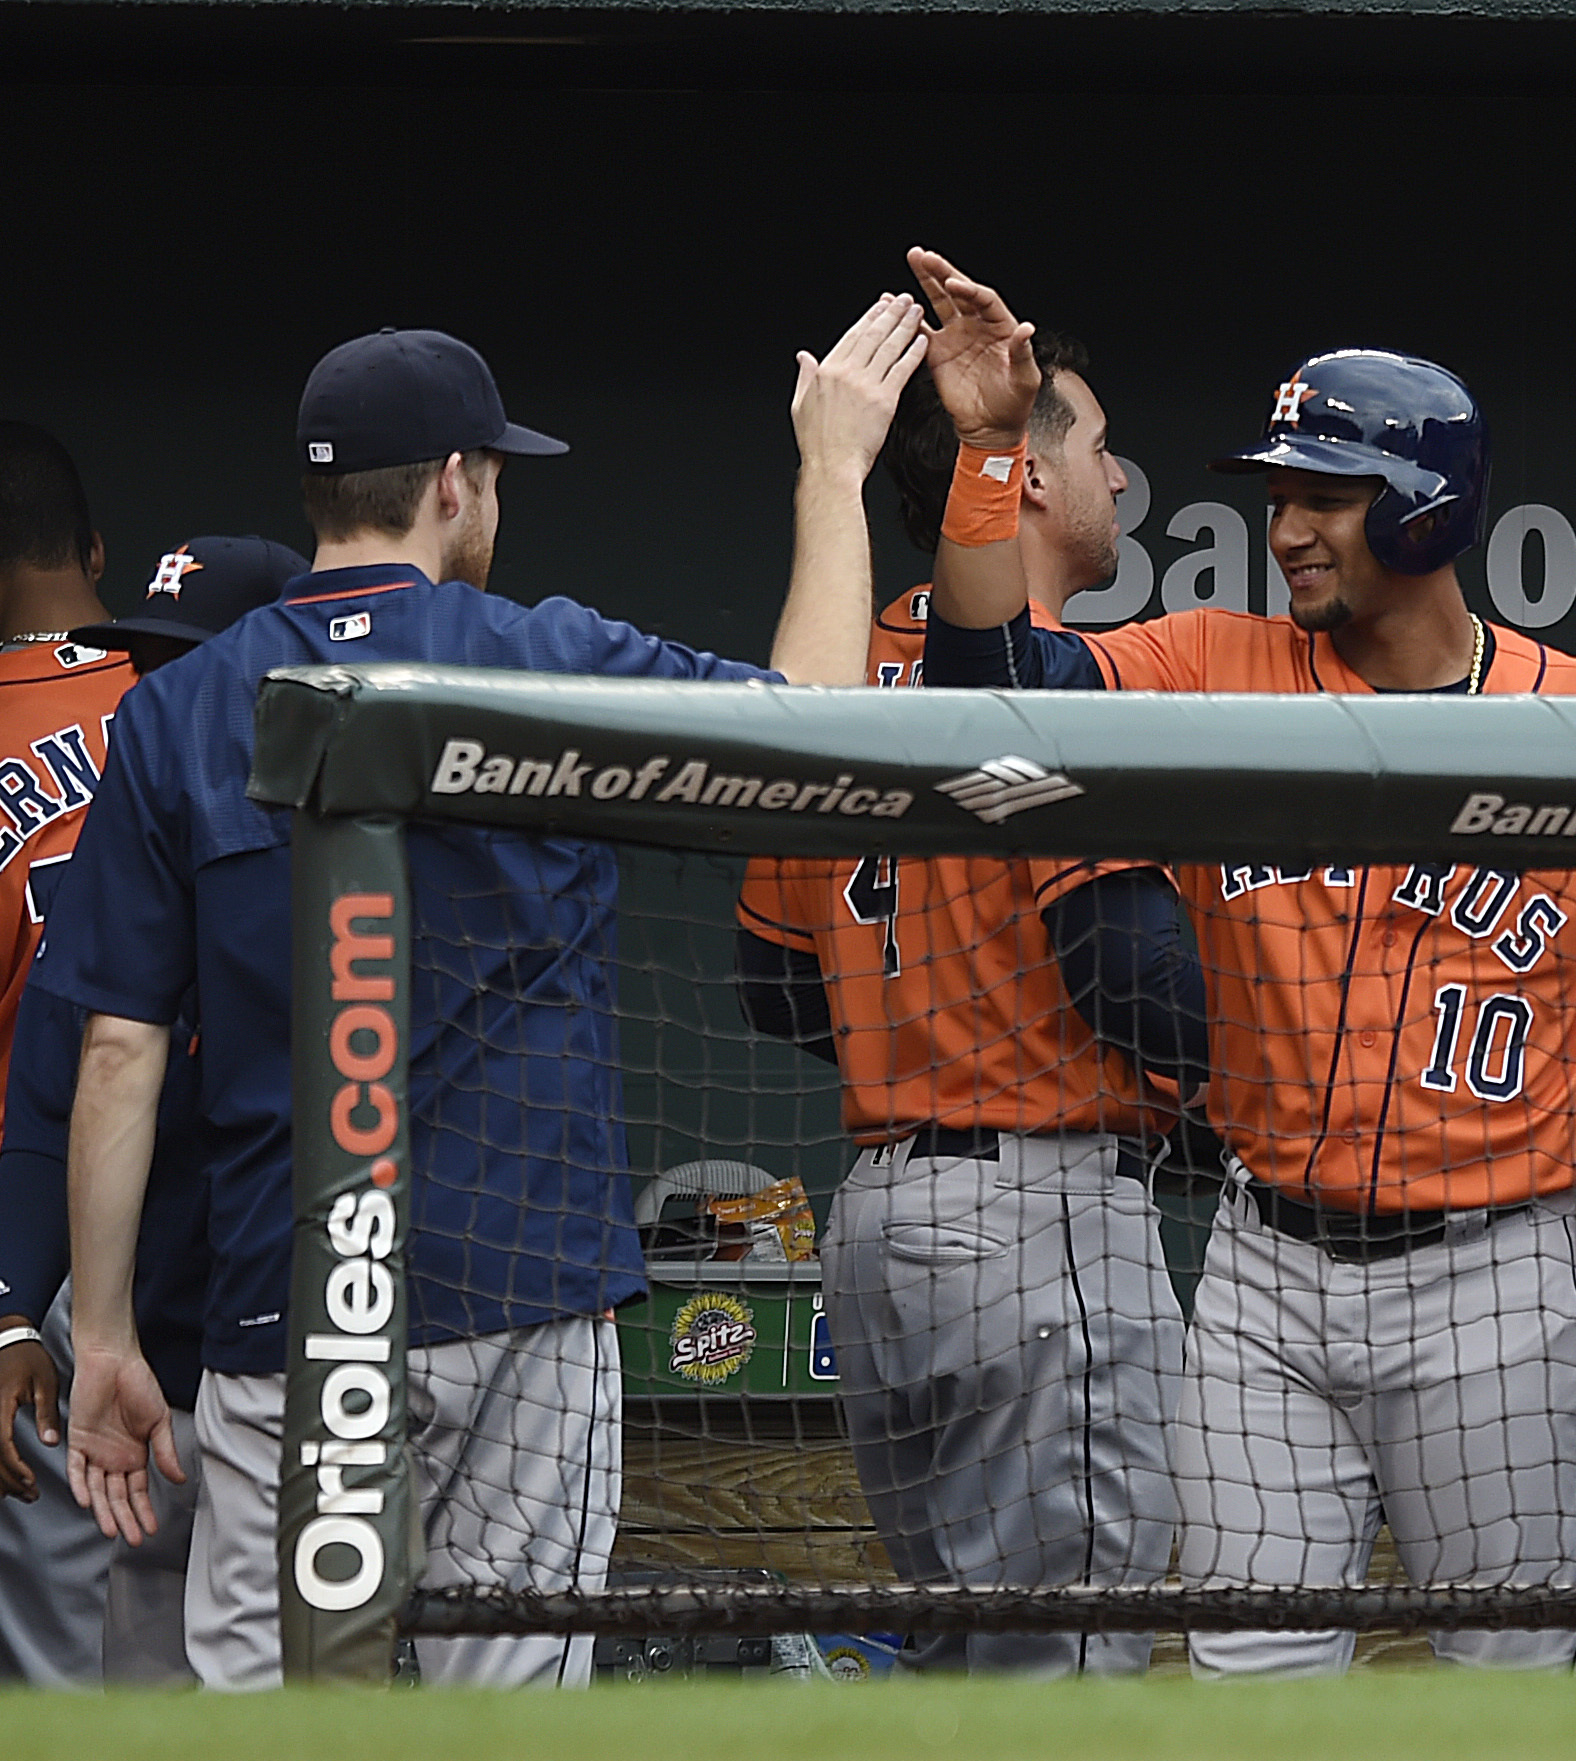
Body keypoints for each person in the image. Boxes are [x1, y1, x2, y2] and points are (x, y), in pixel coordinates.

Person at [46, 303, 927, 1690]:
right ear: (456, 482)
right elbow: (810, 746)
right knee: (501, 1754)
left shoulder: (174, 705)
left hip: (287, 1310)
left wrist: (101, 1335)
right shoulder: (540, 654)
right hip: (523, 1289)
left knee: (260, 1759)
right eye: (497, 473)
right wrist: (831, 472)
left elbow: (115, 1053)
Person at [908, 248, 1576, 1677]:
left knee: (1516, 1704)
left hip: (1494, 1278)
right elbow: (987, 676)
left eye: (1324, 494)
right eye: (1278, 493)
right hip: (1261, 1270)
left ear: (1426, 504)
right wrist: (989, 446)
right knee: (1253, 1706)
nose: (1285, 525)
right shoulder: (1209, 662)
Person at [735, 337, 1207, 1677]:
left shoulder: (838, 665)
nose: (1119, 473)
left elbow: (772, 979)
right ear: (1034, 483)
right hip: (1038, 1218)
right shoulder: (1044, 677)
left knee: (960, 1668)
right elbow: (1120, 965)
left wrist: (937, 1019)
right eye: (1100, 447)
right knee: (1067, 1677)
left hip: (884, 1229)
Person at [1, 535, 307, 1685]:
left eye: (193, 662)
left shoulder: (349, 857)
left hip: (322, 1349)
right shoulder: (119, 871)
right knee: (146, 1697)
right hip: (161, 1355)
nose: (156, 692)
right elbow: (44, 1103)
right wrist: (16, 1312)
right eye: (144, 663)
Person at [0, 420, 130, 1688]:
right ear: (95, 551)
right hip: (212, 1228)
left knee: (49, 1667)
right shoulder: (191, 697)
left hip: (23, 1233)